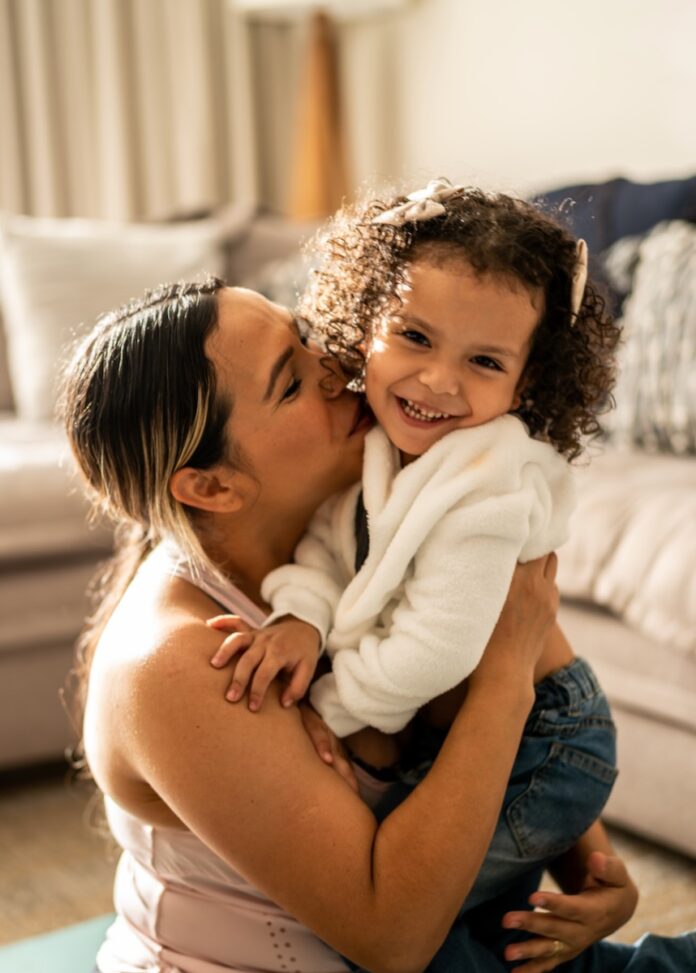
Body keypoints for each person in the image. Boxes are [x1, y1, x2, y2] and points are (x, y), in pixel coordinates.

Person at [60, 276, 694, 973]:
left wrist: (595, 872)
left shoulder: (384, 502)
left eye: (306, 335)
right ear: (211, 485)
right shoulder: (179, 662)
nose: (338, 364)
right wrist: (505, 672)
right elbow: (393, 937)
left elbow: (544, 699)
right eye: (292, 382)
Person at [204, 181, 619, 922]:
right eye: (416, 337)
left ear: (529, 381)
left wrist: (325, 712)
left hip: (548, 741)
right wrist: (301, 617)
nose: (438, 381)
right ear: (365, 322)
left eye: (486, 363)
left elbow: (437, 648)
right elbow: (333, 551)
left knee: (412, 920)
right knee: (463, 918)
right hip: (459, 729)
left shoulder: (488, 487)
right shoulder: (378, 448)